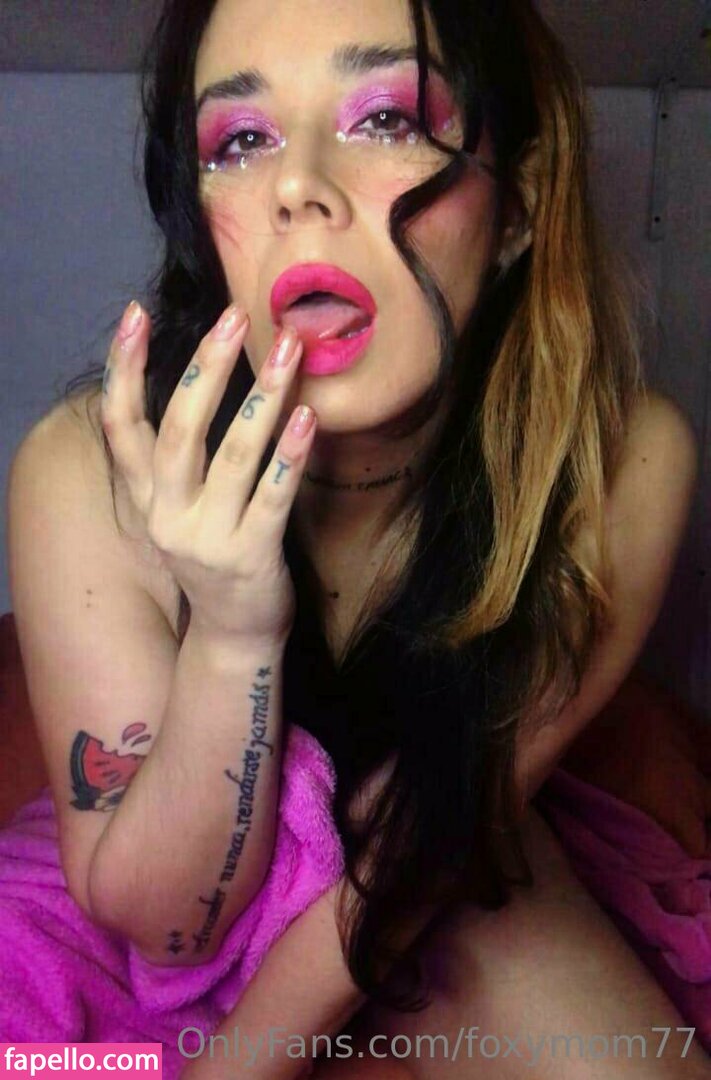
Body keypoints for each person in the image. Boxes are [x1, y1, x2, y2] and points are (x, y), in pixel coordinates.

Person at [4, 0, 706, 1076]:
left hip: (420, 856)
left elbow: (422, 841)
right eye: (242, 139)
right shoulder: (82, 468)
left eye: (386, 120)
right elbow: (166, 928)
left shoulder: (619, 464)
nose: (297, 186)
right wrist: (231, 635)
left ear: (516, 207)